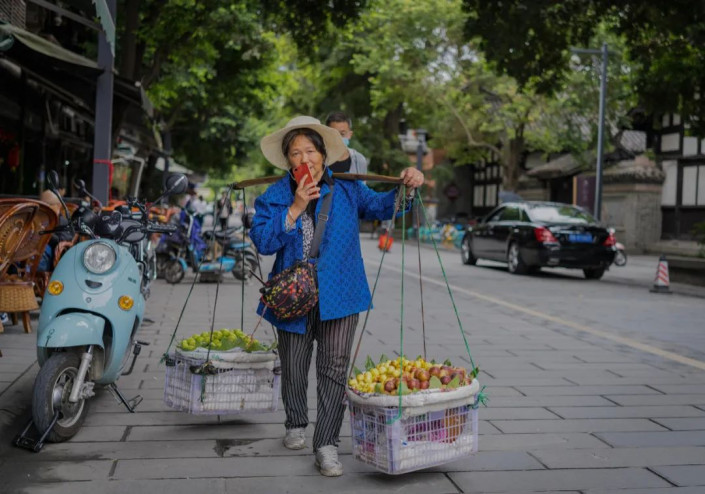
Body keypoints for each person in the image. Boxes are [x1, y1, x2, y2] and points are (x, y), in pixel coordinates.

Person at [250, 115, 423, 477]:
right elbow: (264, 241)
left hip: (341, 293)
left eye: (310, 151)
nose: (304, 159)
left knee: (333, 369)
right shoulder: (275, 196)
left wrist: (408, 186)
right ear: (288, 160)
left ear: (324, 155)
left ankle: (326, 443)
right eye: (295, 153)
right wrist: (296, 208)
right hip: (291, 297)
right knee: (294, 365)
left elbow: (383, 206)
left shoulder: (347, 189)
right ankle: (295, 421)